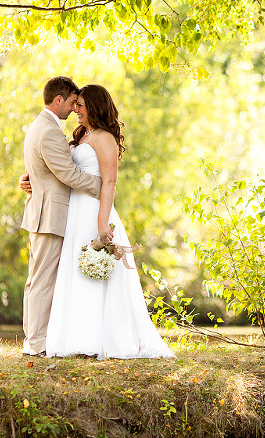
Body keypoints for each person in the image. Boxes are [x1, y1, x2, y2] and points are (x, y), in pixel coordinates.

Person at [22, 84, 174, 360]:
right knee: (72, 273)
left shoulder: (105, 138)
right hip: (73, 212)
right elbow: (60, 169)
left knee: (94, 276)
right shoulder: (80, 136)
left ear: (94, 106)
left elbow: (110, 181)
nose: (75, 110)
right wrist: (33, 181)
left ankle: (95, 338)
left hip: (93, 210)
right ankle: (70, 337)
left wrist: (103, 220)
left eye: (80, 105)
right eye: (74, 104)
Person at [20, 76, 102, 357]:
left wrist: (27, 180)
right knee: (42, 281)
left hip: (41, 212)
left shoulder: (38, 126)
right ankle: (37, 343)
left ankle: (33, 340)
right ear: (58, 100)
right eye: (70, 102)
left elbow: (41, 170)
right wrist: (98, 185)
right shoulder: (50, 131)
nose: (72, 109)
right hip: (49, 214)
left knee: (36, 280)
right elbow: (66, 173)